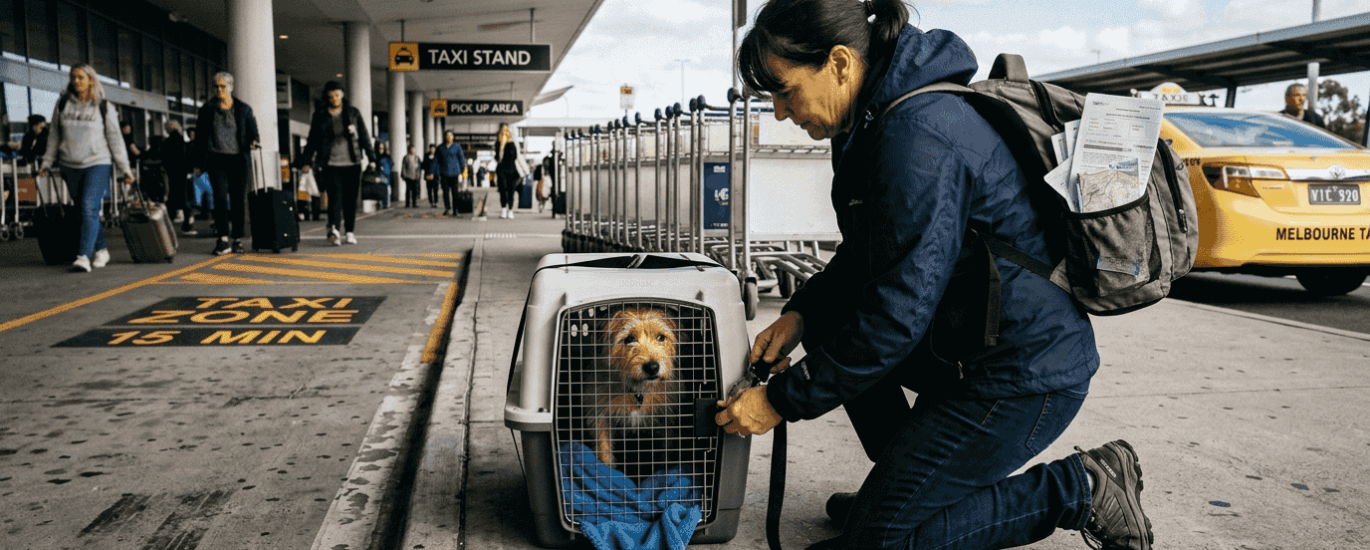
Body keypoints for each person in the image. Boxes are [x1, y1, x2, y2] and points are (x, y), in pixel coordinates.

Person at [714, 2, 1154, 550]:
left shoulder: (917, 136)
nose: (781, 111)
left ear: (840, 63)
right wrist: (804, 314)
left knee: (881, 543)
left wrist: (779, 400)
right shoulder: (874, 121)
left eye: (785, 90)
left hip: (1022, 372)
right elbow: (871, 253)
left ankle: (1083, 486)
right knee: (834, 329)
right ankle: (907, 493)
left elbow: (894, 315)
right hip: (968, 345)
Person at [38, 63, 133, 272]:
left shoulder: (103, 106)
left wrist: (125, 168)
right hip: (69, 164)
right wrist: (46, 162)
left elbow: (115, 138)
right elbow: (54, 135)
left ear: (91, 79)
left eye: (81, 77)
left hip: (98, 163)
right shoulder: (62, 104)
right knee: (84, 210)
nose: (76, 81)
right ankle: (101, 250)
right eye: (73, 77)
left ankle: (83, 256)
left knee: (89, 206)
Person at [296, 81, 376, 246]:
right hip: (330, 164)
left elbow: (364, 136)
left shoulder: (353, 113)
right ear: (327, 97)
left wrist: (372, 158)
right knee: (335, 199)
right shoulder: (319, 115)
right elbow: (312, 140)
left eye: (337, 95)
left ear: (343, 95)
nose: (334, 99)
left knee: (350, 200)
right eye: (331, 96)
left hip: (353, 164)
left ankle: (350, 232)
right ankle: (334, 230)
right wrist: (306, 161)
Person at [190, 71, 260, 255]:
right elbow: (200, 138)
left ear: (230, 87)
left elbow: (253, 131)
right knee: (219, 199)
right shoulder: (207, 109)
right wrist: (197, 163)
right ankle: (222, 239)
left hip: (238, 159)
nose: (219, 90)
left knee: (238, 199)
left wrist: (254, 140)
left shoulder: (243, 109)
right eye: (216, 86)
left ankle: (237, 238)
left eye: (223, 86)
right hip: (216, 159)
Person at [162, 120, 193, 232]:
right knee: (182, 195)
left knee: (174, 195)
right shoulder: (181, 139)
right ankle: (186, 222)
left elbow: (165, 158)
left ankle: (170, 220)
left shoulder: (169, 140)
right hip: (182, 171)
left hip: (173, 171)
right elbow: (186, 156)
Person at [434, 131, 466, 216]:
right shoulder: (440, 148)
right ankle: (447, 208)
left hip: (455, 173)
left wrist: (463, 169)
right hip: (444, 173)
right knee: (445, 192)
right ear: (445, 137)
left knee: (455, 192)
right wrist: (433, 171)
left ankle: (455, 210)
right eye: (447, 135)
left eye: (450, 135)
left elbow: (461, 158)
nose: (449, 137)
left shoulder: (457, 147)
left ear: (453, 137)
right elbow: (436, 160)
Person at [494, 123, 520, 219]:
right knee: (503, 190)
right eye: (502, 130)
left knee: (511, 191)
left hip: (512, 171)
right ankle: (503, 209)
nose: (504, 132)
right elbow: (497, 158)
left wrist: (507, 144)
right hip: (501, 170)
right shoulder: (498, 144)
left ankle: (510, 210)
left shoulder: (512, 144)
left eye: (506, 130)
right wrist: (501, 147)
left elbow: (515, 157)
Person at [376, 142, 393, 209]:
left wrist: (385, 170)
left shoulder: (387, 157)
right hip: (378, 175)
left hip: (385, 176)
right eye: (380, 148)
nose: (381, 150)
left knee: (385, 188)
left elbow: (390, 165)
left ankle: (385, 202)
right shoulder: (375, 156)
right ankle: (380, 202)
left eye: (382, 148)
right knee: (378, 188)